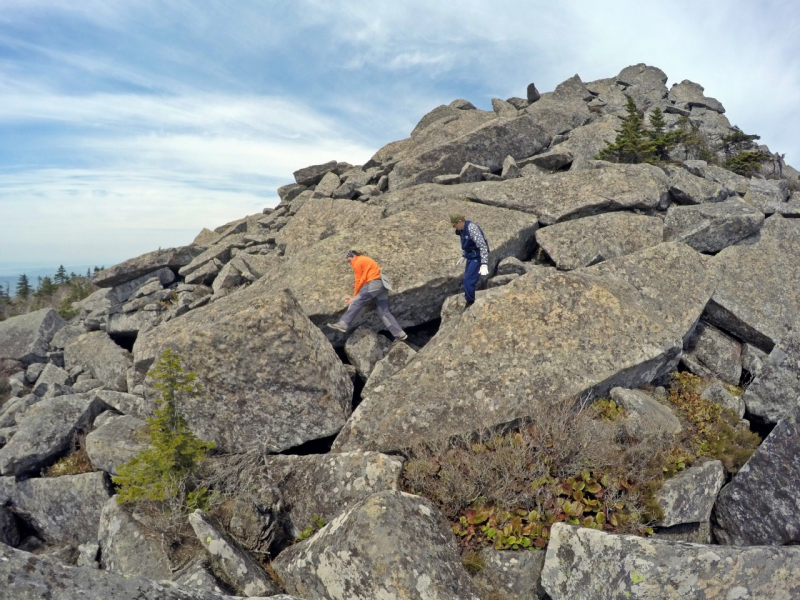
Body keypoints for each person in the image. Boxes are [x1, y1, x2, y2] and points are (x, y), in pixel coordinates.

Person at [326, 250, 408, 342]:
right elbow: (366, 276)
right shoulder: (365, 260)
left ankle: (343, 324)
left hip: (374, 283)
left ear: (353, 256)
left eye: (349, 260)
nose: (350, 263)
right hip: (382, 285)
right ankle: (400, 333)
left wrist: (354, 296)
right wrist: (360, 284)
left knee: (357, 301)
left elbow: (359, 280)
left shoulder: (357, 261)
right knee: (383, 312)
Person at [450, 212, 489, 307]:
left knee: (468, 280)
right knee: (466, 278)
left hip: (477, 257)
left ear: (459, 222)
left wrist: (484, 263)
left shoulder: (472, 228)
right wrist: (464, 255)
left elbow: (483, 246)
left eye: (455, 225)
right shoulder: (461, 230)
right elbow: (468, 244)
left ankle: (470, 302)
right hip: (470, 256)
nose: (454, 227)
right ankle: (469, 298)